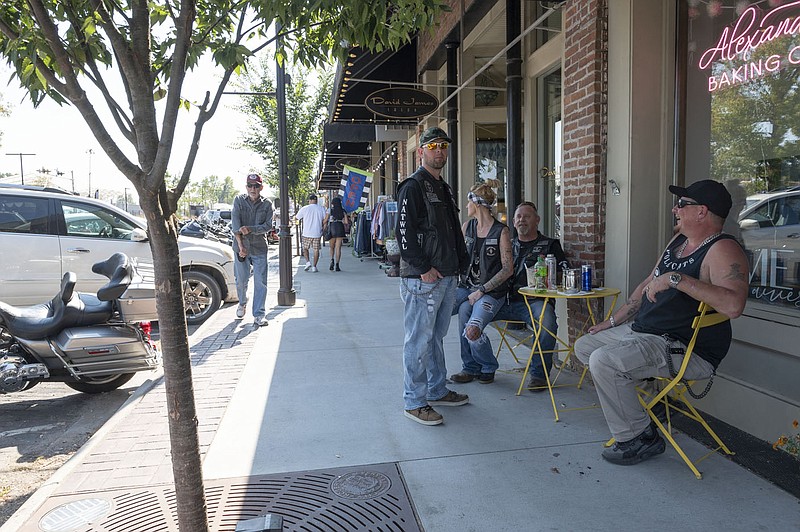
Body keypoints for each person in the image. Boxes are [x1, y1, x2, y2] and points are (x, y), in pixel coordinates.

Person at [574, 179, 749, 466]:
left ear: (702, 211)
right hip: (643, 332)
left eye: (682, 204)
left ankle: (640, 438)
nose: (675, 209)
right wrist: (613, 320)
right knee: (585, 347)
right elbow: (648, 283)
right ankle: (636, 412)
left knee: (603, 362)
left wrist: (676, 279)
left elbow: (734, 305)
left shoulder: (723, 249)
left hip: (682, 347)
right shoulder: (677, 242)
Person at [397, 126, 470, 426]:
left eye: (443, 146)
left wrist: (462, 263)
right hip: (423, 278)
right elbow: (404, 234)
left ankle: (437, 389)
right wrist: (423, 268)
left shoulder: (443, 187)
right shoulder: (413, 186)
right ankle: (414, 401)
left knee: (435, 338)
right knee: (418, 340)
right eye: (433, 145)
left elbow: (451, 230)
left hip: (447, 275)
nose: (439, 150)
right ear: (422, 151)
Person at [490, 202, 568, 390]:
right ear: (513, 222)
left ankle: (539, 375)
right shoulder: (506, 245)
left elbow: (565, 272)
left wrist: (550, 277)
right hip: (503, 300)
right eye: (518, 217)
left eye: (527, 216)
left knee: (547, 322)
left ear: (537, 220)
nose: (521, 220)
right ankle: (478, 367)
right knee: (469, 313)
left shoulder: (550, 245)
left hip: (534, 302)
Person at [449, 180, 513, 384]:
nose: (466, 207)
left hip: (491, 293)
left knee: (472, 330)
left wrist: (482, 290)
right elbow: (456, 256)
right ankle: (469, 367)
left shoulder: (501, 231)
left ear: (476, 204)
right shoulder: (467, 227)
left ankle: (487, 365)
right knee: (438, 309)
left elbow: (507, 269)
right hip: (466, 287)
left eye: (468, 202)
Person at [231, 173, 274, 327]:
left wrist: (251, 229)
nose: (253, 188)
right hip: (240, 246)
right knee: (241, 281)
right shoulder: (238, 200)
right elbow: (235, 225)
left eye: (256, 186)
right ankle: (242, 302)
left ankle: (259, 314)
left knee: (260, 282)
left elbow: (268, 226)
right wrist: (241, 246)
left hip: (259, 247)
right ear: (246, 186)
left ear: (261, 187)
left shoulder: (267, 204)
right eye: (250, 185)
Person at [295, 193, 327, 272]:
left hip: (306, 232)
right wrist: (323, 229)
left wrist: (296, 223)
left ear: (310, 200)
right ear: (316, 200)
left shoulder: (304, 208)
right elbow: (325, 221)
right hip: (317, 232)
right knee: (316, 250)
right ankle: (314, 266)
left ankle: (308, 262)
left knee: (305, 248)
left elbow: (297, 218)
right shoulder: (321, 208)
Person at [323, 196, 351, 271]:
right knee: (338, 248)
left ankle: (332, 260)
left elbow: (325, 220)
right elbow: (346, 222)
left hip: (332, 227)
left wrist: (323, 224)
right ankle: (337, 265)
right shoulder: (343, 211)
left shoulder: (330, 210)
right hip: (340, 227)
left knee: (331, 247)